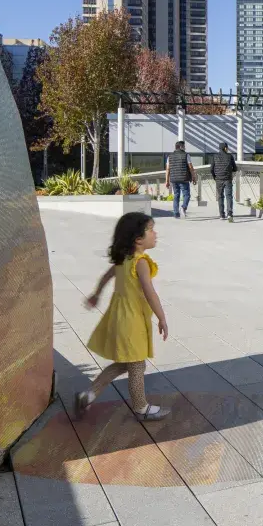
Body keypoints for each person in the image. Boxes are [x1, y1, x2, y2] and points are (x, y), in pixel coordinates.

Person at [76, 212, 171, 420]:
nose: (155, 234)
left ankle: (89, 394)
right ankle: (141, 407)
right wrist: (162, 317)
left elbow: (106, 276)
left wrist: (96, 294)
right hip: (132, 320)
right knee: (137, 365)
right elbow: (149, 291)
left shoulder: (124, 259)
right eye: (151, 229)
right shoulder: (141, 262)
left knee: (125, 364)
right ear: (138, 239)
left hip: (118, 317)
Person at [164, 141, 196, 218]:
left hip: (174, 179)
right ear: (181, 147)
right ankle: (183, 207)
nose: (185, 148)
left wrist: (167, 181)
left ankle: (176, 214)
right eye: (184, 146)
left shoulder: (170, 156)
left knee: (176, 195)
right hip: (184, 178)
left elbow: (167, 169)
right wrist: (194, 177)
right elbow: (191, 167)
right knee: (187, 195)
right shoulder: (186, 155)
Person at [210, 141, 238, 222]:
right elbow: (235, 168)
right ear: (225, 148)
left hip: (218, 179)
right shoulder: (230, 156)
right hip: (228, 179)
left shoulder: (214, 156)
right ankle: (230, 214)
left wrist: (215, 177)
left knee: (220, 197)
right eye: (227, 148)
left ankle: (222, 215)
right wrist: (230, 171)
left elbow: (211, 169)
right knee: (229, 196)